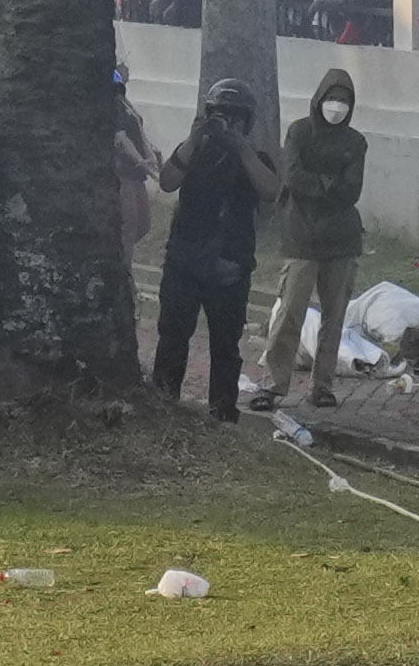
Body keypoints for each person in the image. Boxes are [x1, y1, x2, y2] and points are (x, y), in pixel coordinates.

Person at [153, 81, 265, 421]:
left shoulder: (254, 159)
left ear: (248, 122)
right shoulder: (194, 151)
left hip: (230, 264)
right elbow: (167, 180)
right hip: (186, 260)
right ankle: (163, 403)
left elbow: (272, 190)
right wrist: (193, 139)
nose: (227, 125)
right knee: (173, 336)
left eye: (235, 118)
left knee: (225, 346)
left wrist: (241, 149)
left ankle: (222, 412)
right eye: (220, 116)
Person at [270, 65, 369, 404]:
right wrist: (329, 185)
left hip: (341, 241)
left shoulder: (355, 142)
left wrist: (319, 186)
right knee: (289, 314)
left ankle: (322, 386)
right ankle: (275, 383)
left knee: (334, 317)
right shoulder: (299, 132)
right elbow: (292, 175)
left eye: (344, 100)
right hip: (300, 237)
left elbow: (351, 190)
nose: (337, 105)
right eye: (332, 98)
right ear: (319, 98)